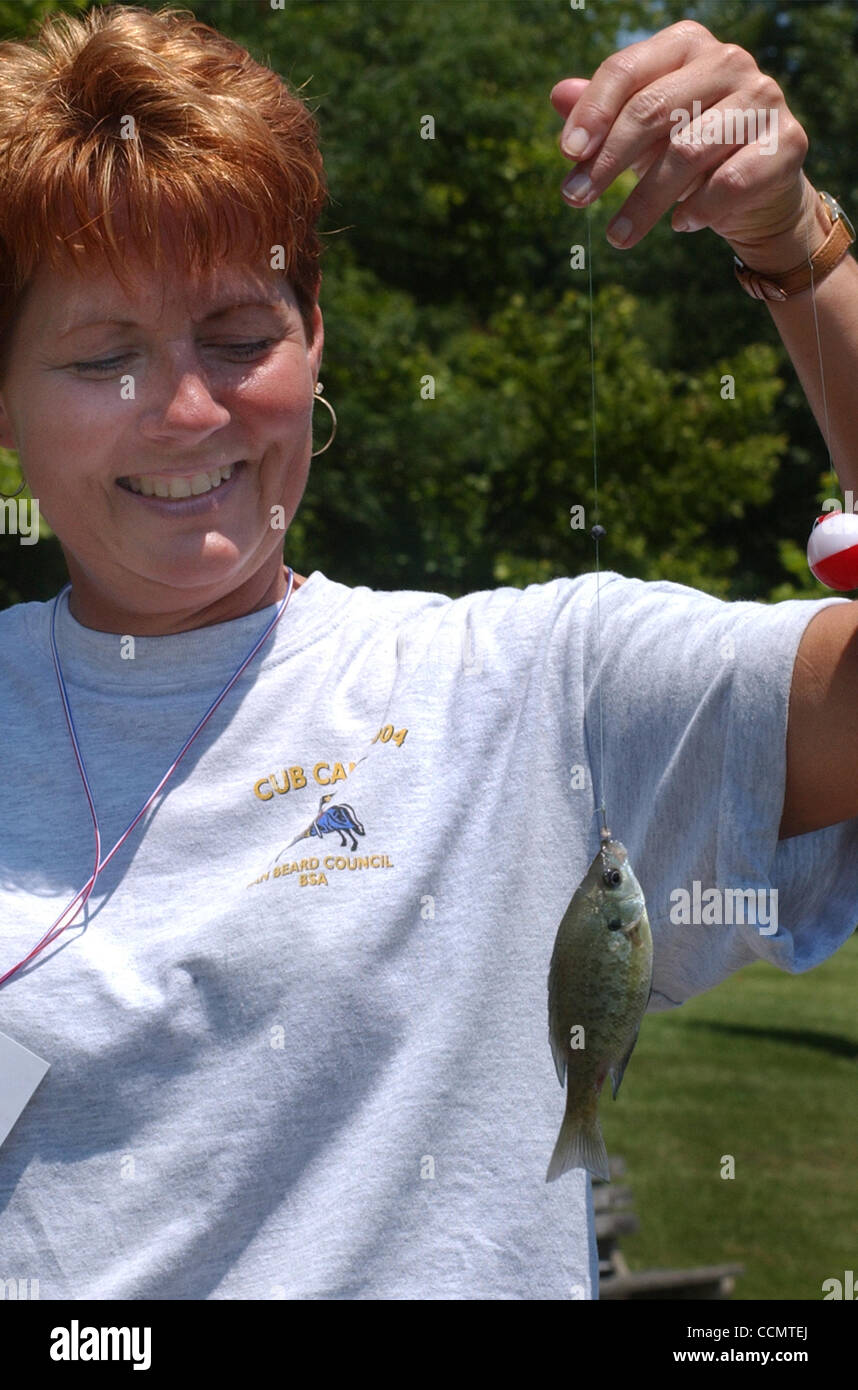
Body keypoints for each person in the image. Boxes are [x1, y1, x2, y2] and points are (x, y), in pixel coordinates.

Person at [0, 5, 856, 1302]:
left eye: (239, 335)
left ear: (315, 339)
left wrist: (801, 252)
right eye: (104, 353)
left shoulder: (534, 692)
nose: (186, 409)